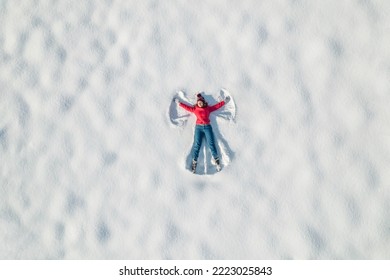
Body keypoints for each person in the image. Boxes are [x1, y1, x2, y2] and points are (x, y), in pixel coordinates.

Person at [174, 93, 230, 173]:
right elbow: (186, 107)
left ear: (203, 102)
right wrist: (179, 102)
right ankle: (194, 163)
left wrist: (224, 101)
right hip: (198, 128)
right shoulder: (195, 109)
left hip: (207, 127)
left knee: (211, 144)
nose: (199, 103)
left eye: (201, 102)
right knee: (197, 145)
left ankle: (217, 162)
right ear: (197, 103)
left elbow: (216, 106)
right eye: (198, 102)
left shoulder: (208, 109)